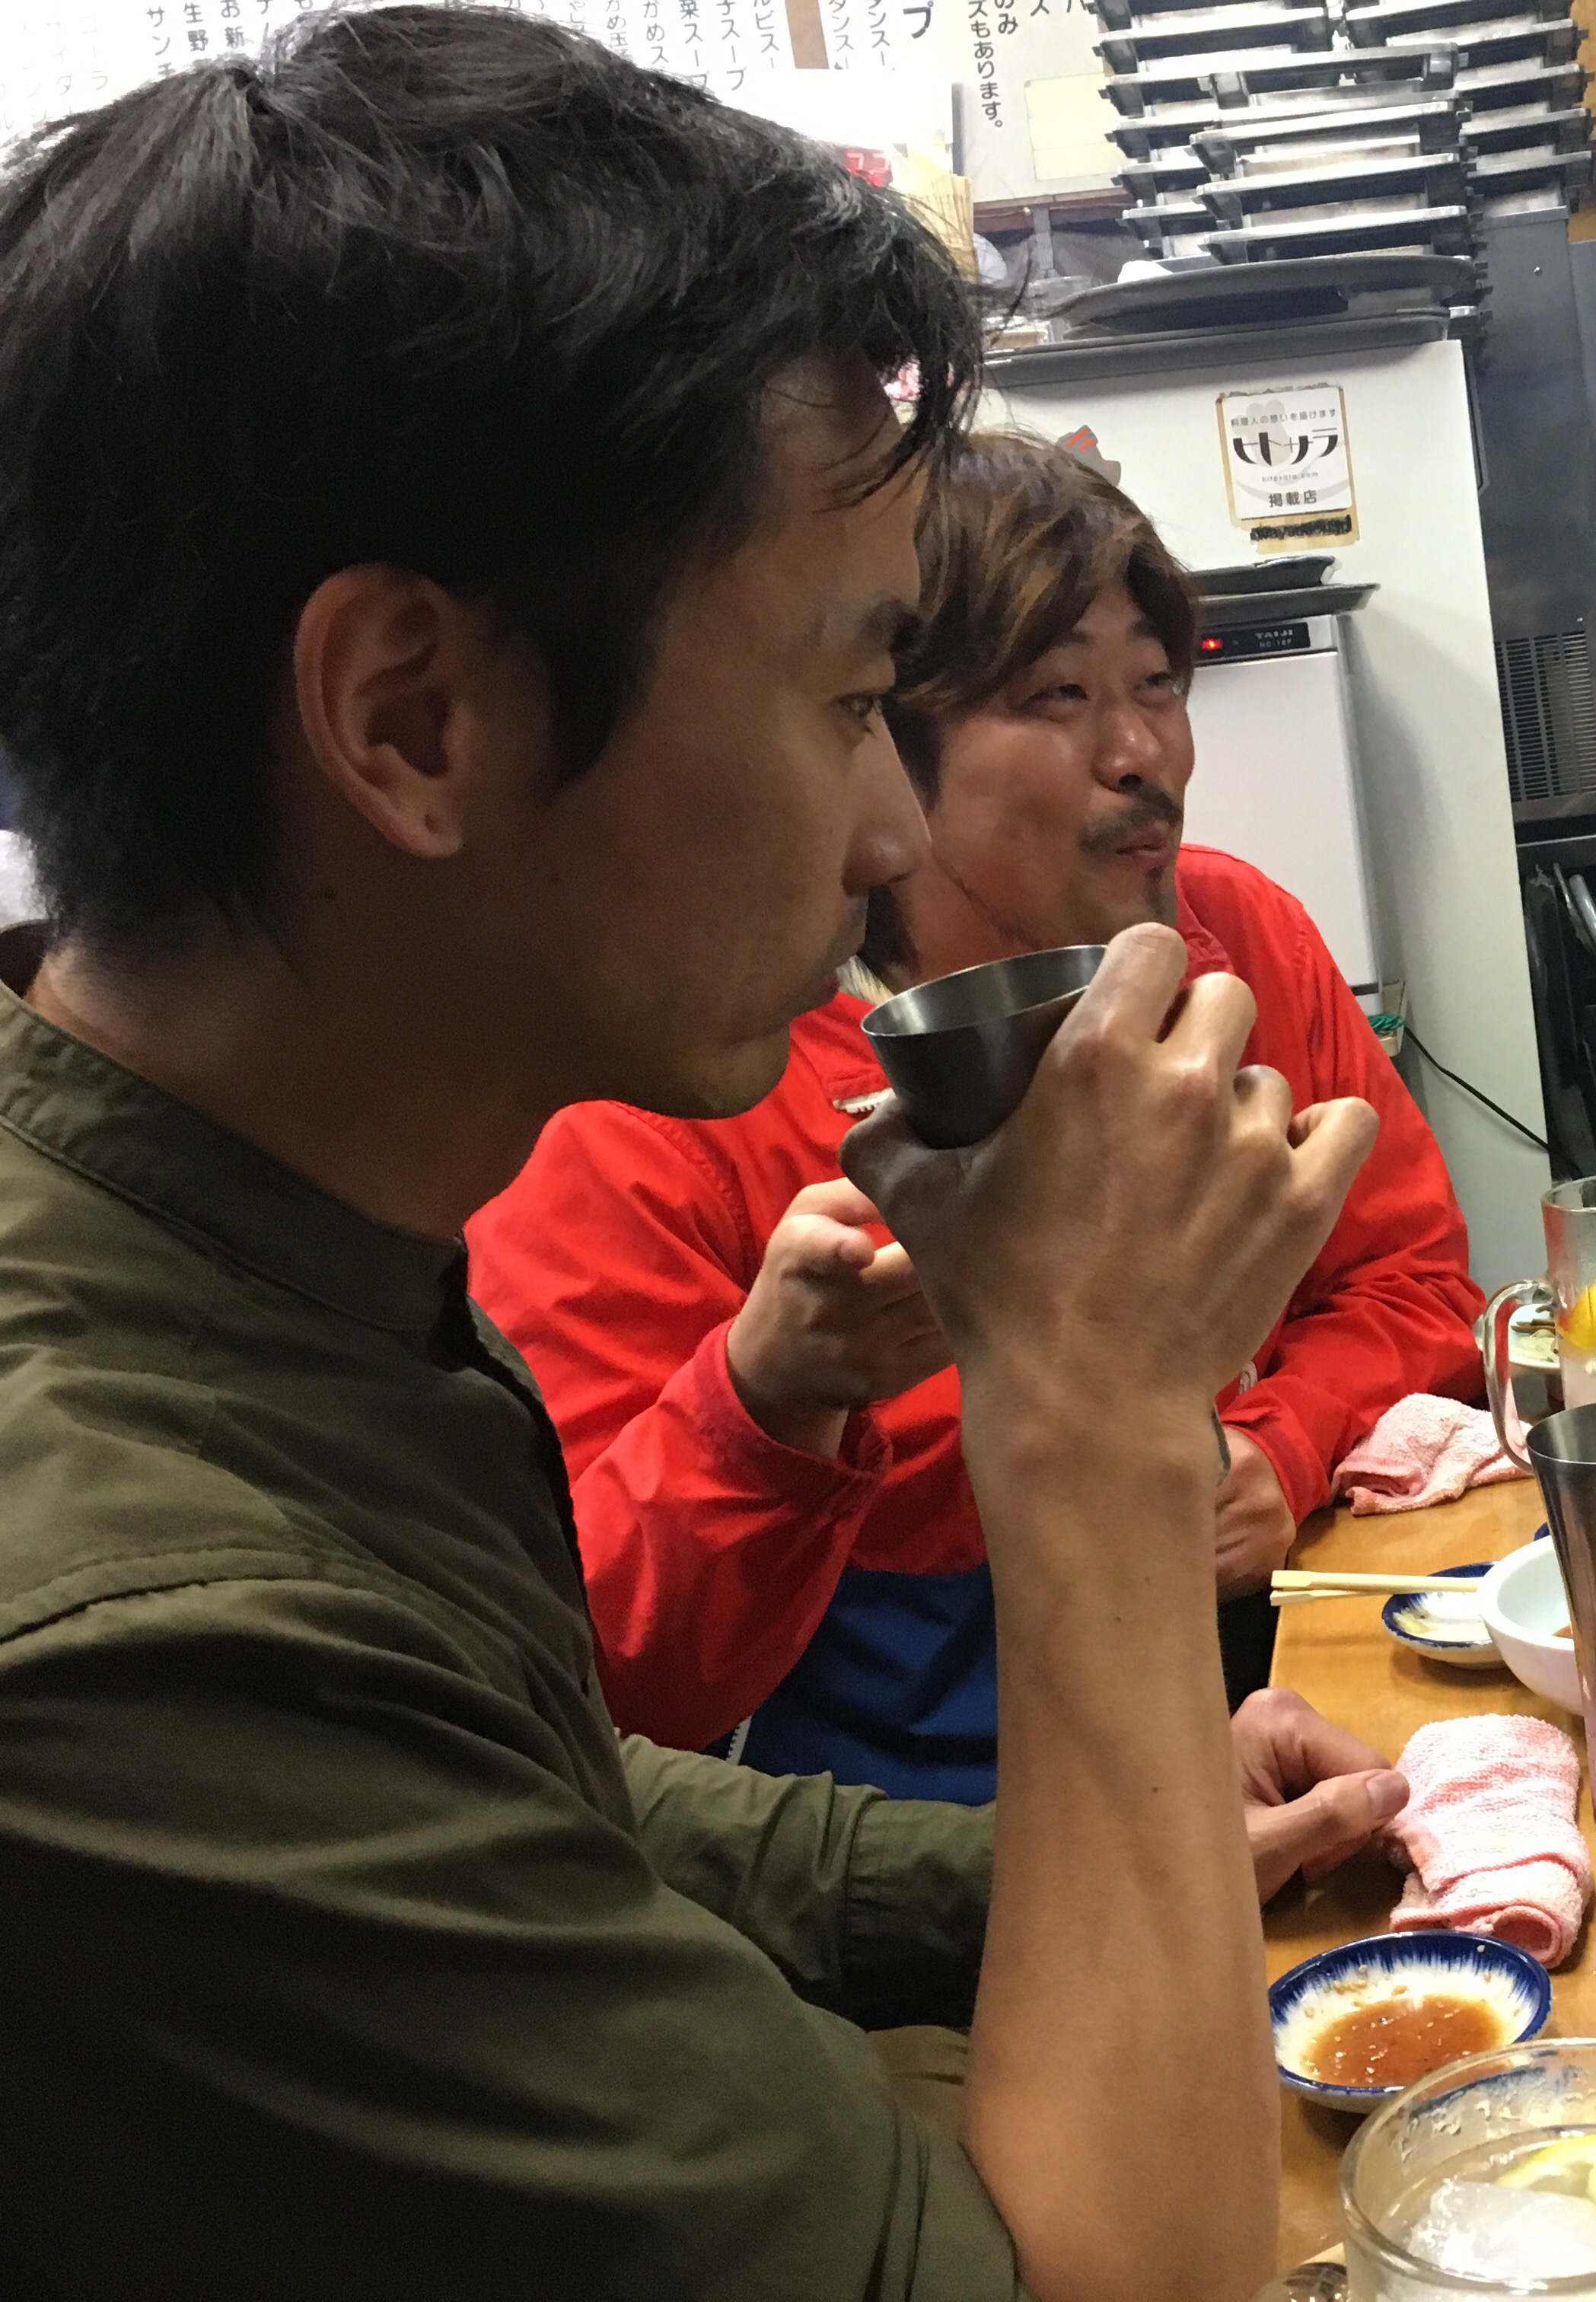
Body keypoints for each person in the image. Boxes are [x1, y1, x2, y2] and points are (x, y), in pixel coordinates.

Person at [0, 15, 1373, 2296]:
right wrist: (1097, 1410)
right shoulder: (121, 1651)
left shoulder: (255, 1241)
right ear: (413, 718)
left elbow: (526, 1796)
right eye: (847, 701)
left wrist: (1050, 1865)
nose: (893, 829)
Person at [469, 431, 1484, 1789]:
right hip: (915, 1794)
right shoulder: (665, 1092)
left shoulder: (1239, 939)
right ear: (882, 736)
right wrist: (769, 1395)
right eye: (1058, 694)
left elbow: (1418, 1288)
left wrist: (1280, 1443)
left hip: (1273, 1663)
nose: (1143, 754)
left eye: (1158, 682)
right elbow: (610, 1670)